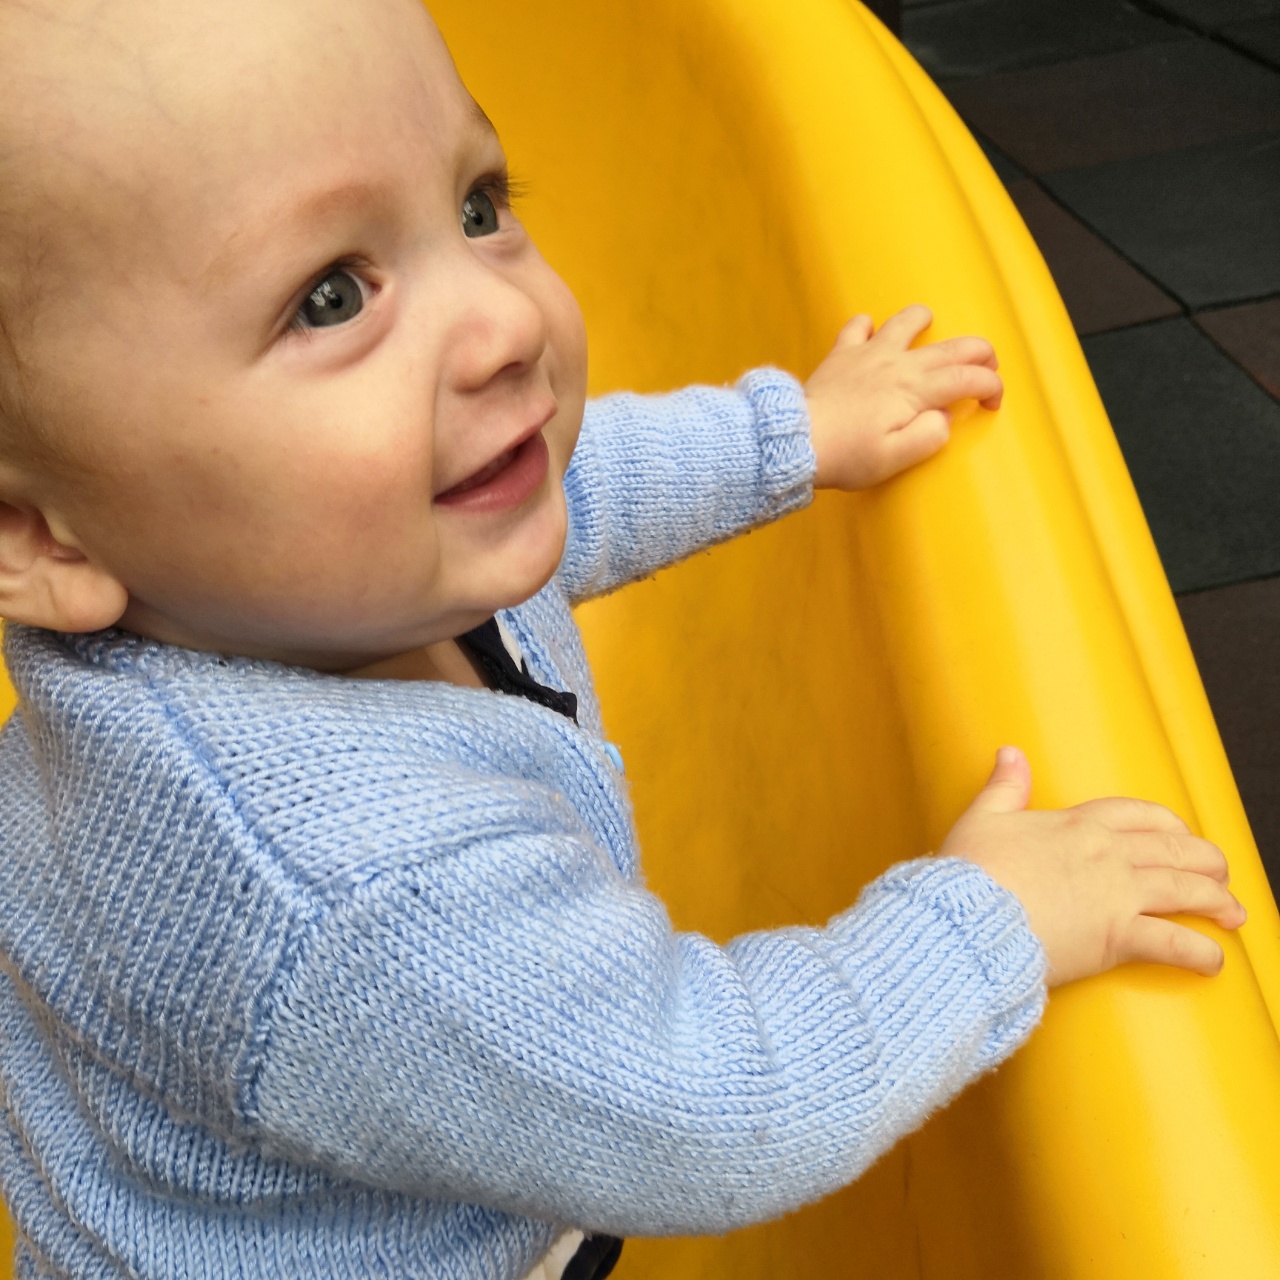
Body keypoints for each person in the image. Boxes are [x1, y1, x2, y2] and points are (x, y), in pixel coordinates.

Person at [0, 0, 1244, 1277]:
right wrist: (985, 921)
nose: (506, 322)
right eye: (329, 298)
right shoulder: (347, 894)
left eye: (478, 205)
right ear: (39, 536)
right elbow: (718, 1102)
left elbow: (578, 487)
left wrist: (789, 435)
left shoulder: (323, 559)